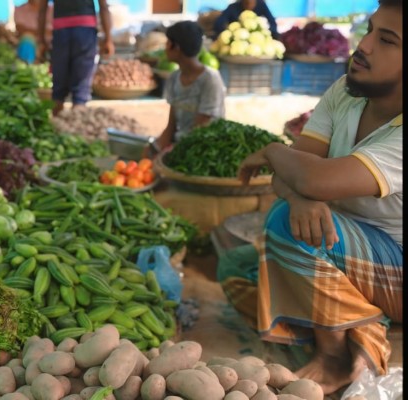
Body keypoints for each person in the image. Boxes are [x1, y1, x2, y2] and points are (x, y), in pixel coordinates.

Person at [232, 0, 402, 394]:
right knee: (237, 267)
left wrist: (275, 152)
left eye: (387, 40)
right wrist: (300, 195)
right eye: (371, 29)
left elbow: (311, 175)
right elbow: (301, 173)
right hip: (346, 249)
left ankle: (336, 358)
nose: (365, 45)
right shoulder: (347, 90)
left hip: (396, 262)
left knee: (284, 228)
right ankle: (362, 324)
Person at [152, 21, 226, 153]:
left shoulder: (210, 80)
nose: (165, 48)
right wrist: (156, 148)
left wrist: (172, 152)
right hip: (181, 144)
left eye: (168, 43)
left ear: (177, 48)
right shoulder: (174, 78)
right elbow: (171, 125)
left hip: (205, 148)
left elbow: (201, 128)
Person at [37, 0, 115, 116]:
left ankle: (56, 126)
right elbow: (103, 7)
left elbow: (42, 9)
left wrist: (42, 41)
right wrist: (108, 38)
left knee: (58, 89)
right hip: (85, 31)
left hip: (60, 32)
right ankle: (77, 121)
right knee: (81, 88)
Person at [213, 0, 279, 40]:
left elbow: (273, 23)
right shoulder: (232, 7)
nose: (249, 3)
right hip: (237, 40)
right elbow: (219, 23)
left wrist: (267, 34)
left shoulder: (261, 5)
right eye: (246, 2)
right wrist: (229, 32)